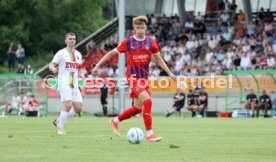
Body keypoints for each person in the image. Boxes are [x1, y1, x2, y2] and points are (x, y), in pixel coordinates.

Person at [92, 16, 176, 142]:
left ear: (146, 28)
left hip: (144, 79)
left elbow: (159, 59)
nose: (140, 30)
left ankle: (115, 121)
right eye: (138, 27)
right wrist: (97, 66)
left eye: (142, 27)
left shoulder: (150, 42)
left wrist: (170, 73)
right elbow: (111, 53)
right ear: (134, 28)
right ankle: (150, 134)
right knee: (148, 101)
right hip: (132, 78)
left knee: (138, 108)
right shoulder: (128, 42)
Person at [49, 32, 83, 135]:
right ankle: (60, 128)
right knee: (68, 104)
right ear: (66, 41)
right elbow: (51, 64)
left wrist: (82, 75)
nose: (72, 40)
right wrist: (53, 69)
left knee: (78, 108)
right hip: (64, 82)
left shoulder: (78, 54)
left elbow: (79, 68)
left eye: (74, 38)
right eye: (70, 39)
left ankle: (59, 119)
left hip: (75, 84)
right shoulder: (61, 53)